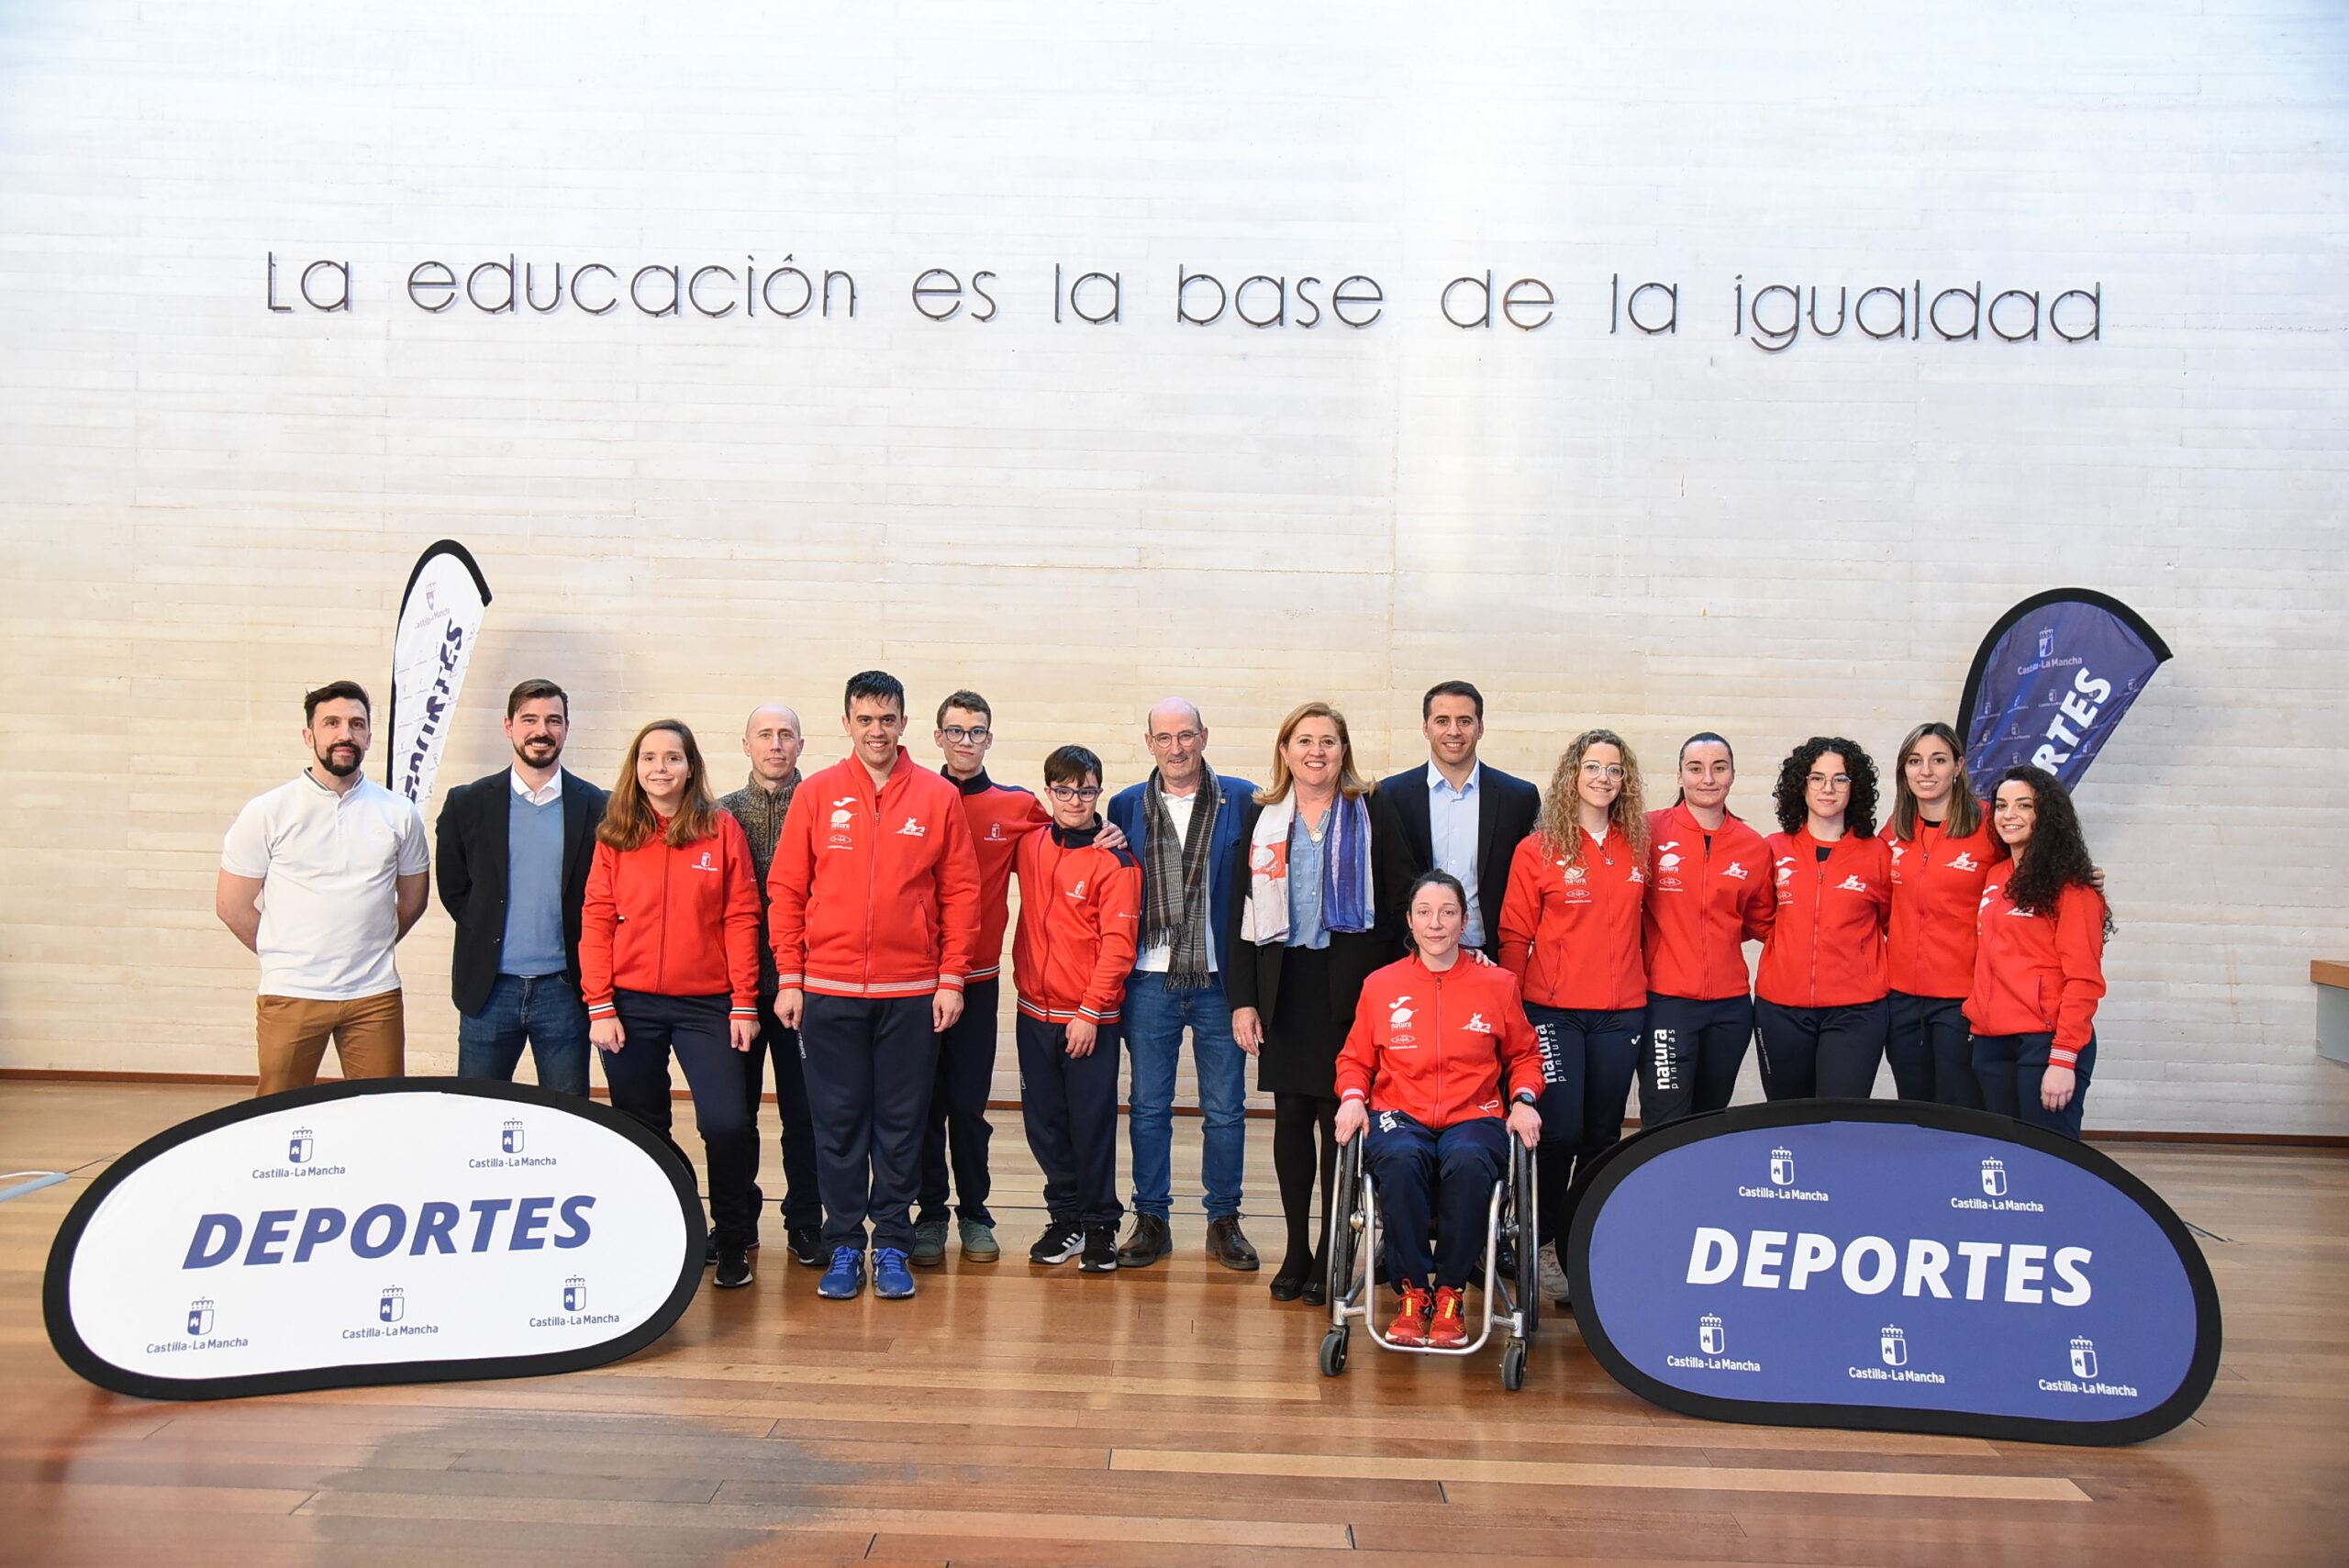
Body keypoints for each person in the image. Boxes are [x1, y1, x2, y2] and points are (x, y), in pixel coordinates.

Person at [769, 671, 982, 1302]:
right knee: (837, 1123)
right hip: (828, 989)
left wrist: (950, 977)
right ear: (847, 724)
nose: (877, 729)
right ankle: (842, 1247)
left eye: (887, 718)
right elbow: (786, 890)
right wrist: (790, 975)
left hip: (911, 991)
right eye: (865, 719)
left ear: (904, 723)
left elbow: (961, 892)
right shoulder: (818, 794)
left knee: (900, 1123)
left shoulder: (937, 796)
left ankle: (890, 1242)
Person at [580, 719, 763, 1287]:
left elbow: (741, 917)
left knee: (728, 1123)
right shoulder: (616, 834)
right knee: (644, 1126)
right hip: (629, 1007)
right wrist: (599, 1006)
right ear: (635, 769)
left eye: (673, 758)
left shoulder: (720, 828)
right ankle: (666, 1225)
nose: (660, 768)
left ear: (691, 767)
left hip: (709, 1005)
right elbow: (596, 918)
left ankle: (733, 1235)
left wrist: (745, 1003)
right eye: (649, 758)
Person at [1336, 872, 1545, 1348]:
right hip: (1399, 1111)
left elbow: (1525, 1056)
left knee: (1471, 1161)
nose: (1436, 924)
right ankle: (1412, 1294)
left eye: (1448, 912)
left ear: (1464, 920)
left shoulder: (1498, 983)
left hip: (1474, 1112)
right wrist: (1351, 1099)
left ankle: (1450, 1292)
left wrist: (1524, 1100)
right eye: (1425, 913)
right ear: (1409, 921)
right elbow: (1354, 1059)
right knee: (1401, 1158)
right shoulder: (1381, 985)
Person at [1227, 701, 1386, 1304]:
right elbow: (1239, 912)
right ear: (1285, 749)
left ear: (1344, 750)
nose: (1316, 751)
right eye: (1304, 740)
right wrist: (1244, 999)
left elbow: (1399, 899)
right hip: (1285, 983)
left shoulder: (1372, 810)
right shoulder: (1262, 814)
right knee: (1292, 1117)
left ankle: (1333, 1248)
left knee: (1337, 1123)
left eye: (1328, 740)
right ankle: (1297, 1246)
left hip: (1351, 988)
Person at [1105, 699, 1263, 1273]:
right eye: (1165, 737)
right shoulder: (1124, 805)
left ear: (1204, 737)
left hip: (1221, 978)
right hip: (1149, 978)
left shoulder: (1242, 799)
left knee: (1225, 1108)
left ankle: (1224, 1220)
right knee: (1148, 1106)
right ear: (1149, 743)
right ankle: (1152, 1220)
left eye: (1187, 735)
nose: (1177, 747)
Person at [217, 681, 429, 1096]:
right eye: (331, 723)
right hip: (291, 992)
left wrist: (368, 946)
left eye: (356, 724)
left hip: (374, 995)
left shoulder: (399, 813)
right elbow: (232, 905)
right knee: (278, 1117)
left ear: (369, 735)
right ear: (309, 736)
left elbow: (414, 899)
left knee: (384, 1115)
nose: (344, 734)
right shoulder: (267, 811)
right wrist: (287, 953)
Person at [1499, 728, 1649, 1305]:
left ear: (1625, 781)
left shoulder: (1638, 846)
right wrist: (1512, 1016)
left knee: (1602, 1135)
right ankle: (1540, 1245)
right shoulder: (1536, 850)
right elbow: (1514, 936)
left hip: (1621, 1014)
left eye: (1614, 769)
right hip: (1553, 1013)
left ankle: (1581, 1243)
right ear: (1572, 775)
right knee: (1557, 1133)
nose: (1604, 778)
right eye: (1593, 767)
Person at [915, 690, 1042, 1268]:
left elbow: (1071, 832)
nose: (965, 741)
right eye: (955, 730)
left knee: (966, 1105)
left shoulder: (1015, 806)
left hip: (978, 979)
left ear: (989, 739)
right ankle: (929, 1213)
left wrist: (1107, 836)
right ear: (937, 736)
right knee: (919, 1105)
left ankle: (974, 1212)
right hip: (912, 981)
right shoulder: (914, 797)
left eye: (976, 731)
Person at [435, 679, 608, 1100]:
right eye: (529, 719)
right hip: (490, 989)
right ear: (508, 725)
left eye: (553, 720)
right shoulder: (468, 803)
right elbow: (454, 889)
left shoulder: (599, 806)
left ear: (566, 729)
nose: (541, 730)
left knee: (569, 1117)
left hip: (564, 990)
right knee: (476, 1114)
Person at [1013, 746, 1144, 1273]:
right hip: (1031, 1013)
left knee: (1090, 1124)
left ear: (1099, 793)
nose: (1074, 800)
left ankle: (1100, 1226)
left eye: (1085, 790)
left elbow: (1119, 947)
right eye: (1063, 790)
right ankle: (1065, 1218)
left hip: (1088, 1019)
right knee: (1044, 1124)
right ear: (1048, 793)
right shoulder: (1030, 843)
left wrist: (1089, 1013)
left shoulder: (1117, 861)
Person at [717, 703, 825, 1268]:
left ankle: (807, 1222)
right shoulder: (717, 814)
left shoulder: (827, 807)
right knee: (733, 1115)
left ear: (801, 745)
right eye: (765, 734)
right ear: (746, 744)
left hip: (805, 989)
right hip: (734, 991)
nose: (776, 744)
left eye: (787, 734)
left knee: (804, 1114)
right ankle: (735, 1223)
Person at [1966, 766, 2111, 1140]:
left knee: (2052, 1164)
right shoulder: (1995, 875)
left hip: (2045, 1043)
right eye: (2001, 805)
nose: (2009, 814)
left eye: (2024, 805)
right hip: (1992, 1042)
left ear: (2046, 815)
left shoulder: (2073, 886)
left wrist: (2063, 1058)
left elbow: (2084, 979)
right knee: (2007, 1162)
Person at [1642, 732, 1775, 1127]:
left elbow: (1760, 920)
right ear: (1680, 776)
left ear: (1733, 775)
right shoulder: (1647, 832)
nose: (1708, 779)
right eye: (1695, 769)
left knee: (1709, 1122)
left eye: (1719, 768)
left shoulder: (1753, 846)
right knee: (1665, 1121)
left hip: (1730, 1009)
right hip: (1666, 1004)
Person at [1754, 737, 1892, 1100]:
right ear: (1801, 785)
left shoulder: (1878, 854)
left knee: (1840, 1123)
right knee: (1788, 1122)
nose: (1827, 788)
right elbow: (1759, 916)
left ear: (1854, 787)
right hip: (1781, 1011)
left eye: (1840, 779)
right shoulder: (1772, 849)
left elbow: (1891, 919)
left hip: (1856, 1013)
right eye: (1817, 778)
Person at [1370, 680, 1542, 962]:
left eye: (1464, 721)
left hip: (1492, 957)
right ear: (1426, 728)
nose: (1453, 731)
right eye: (1442, 721)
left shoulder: (1518, 798)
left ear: (1480, 727)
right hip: (1410, 956)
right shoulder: (1390, 796)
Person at [1882, 721, 1999, 1108]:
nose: (1926, 771)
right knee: (1914, 1107)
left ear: (1959, 766)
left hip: (1960, 998)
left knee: (1957, 1108)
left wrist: (2082, 878)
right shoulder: (1893, 832)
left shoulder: (1989, 825)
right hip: (1901, 998)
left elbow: (2035, 869)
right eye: (1915, 761)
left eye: (1938, 760)